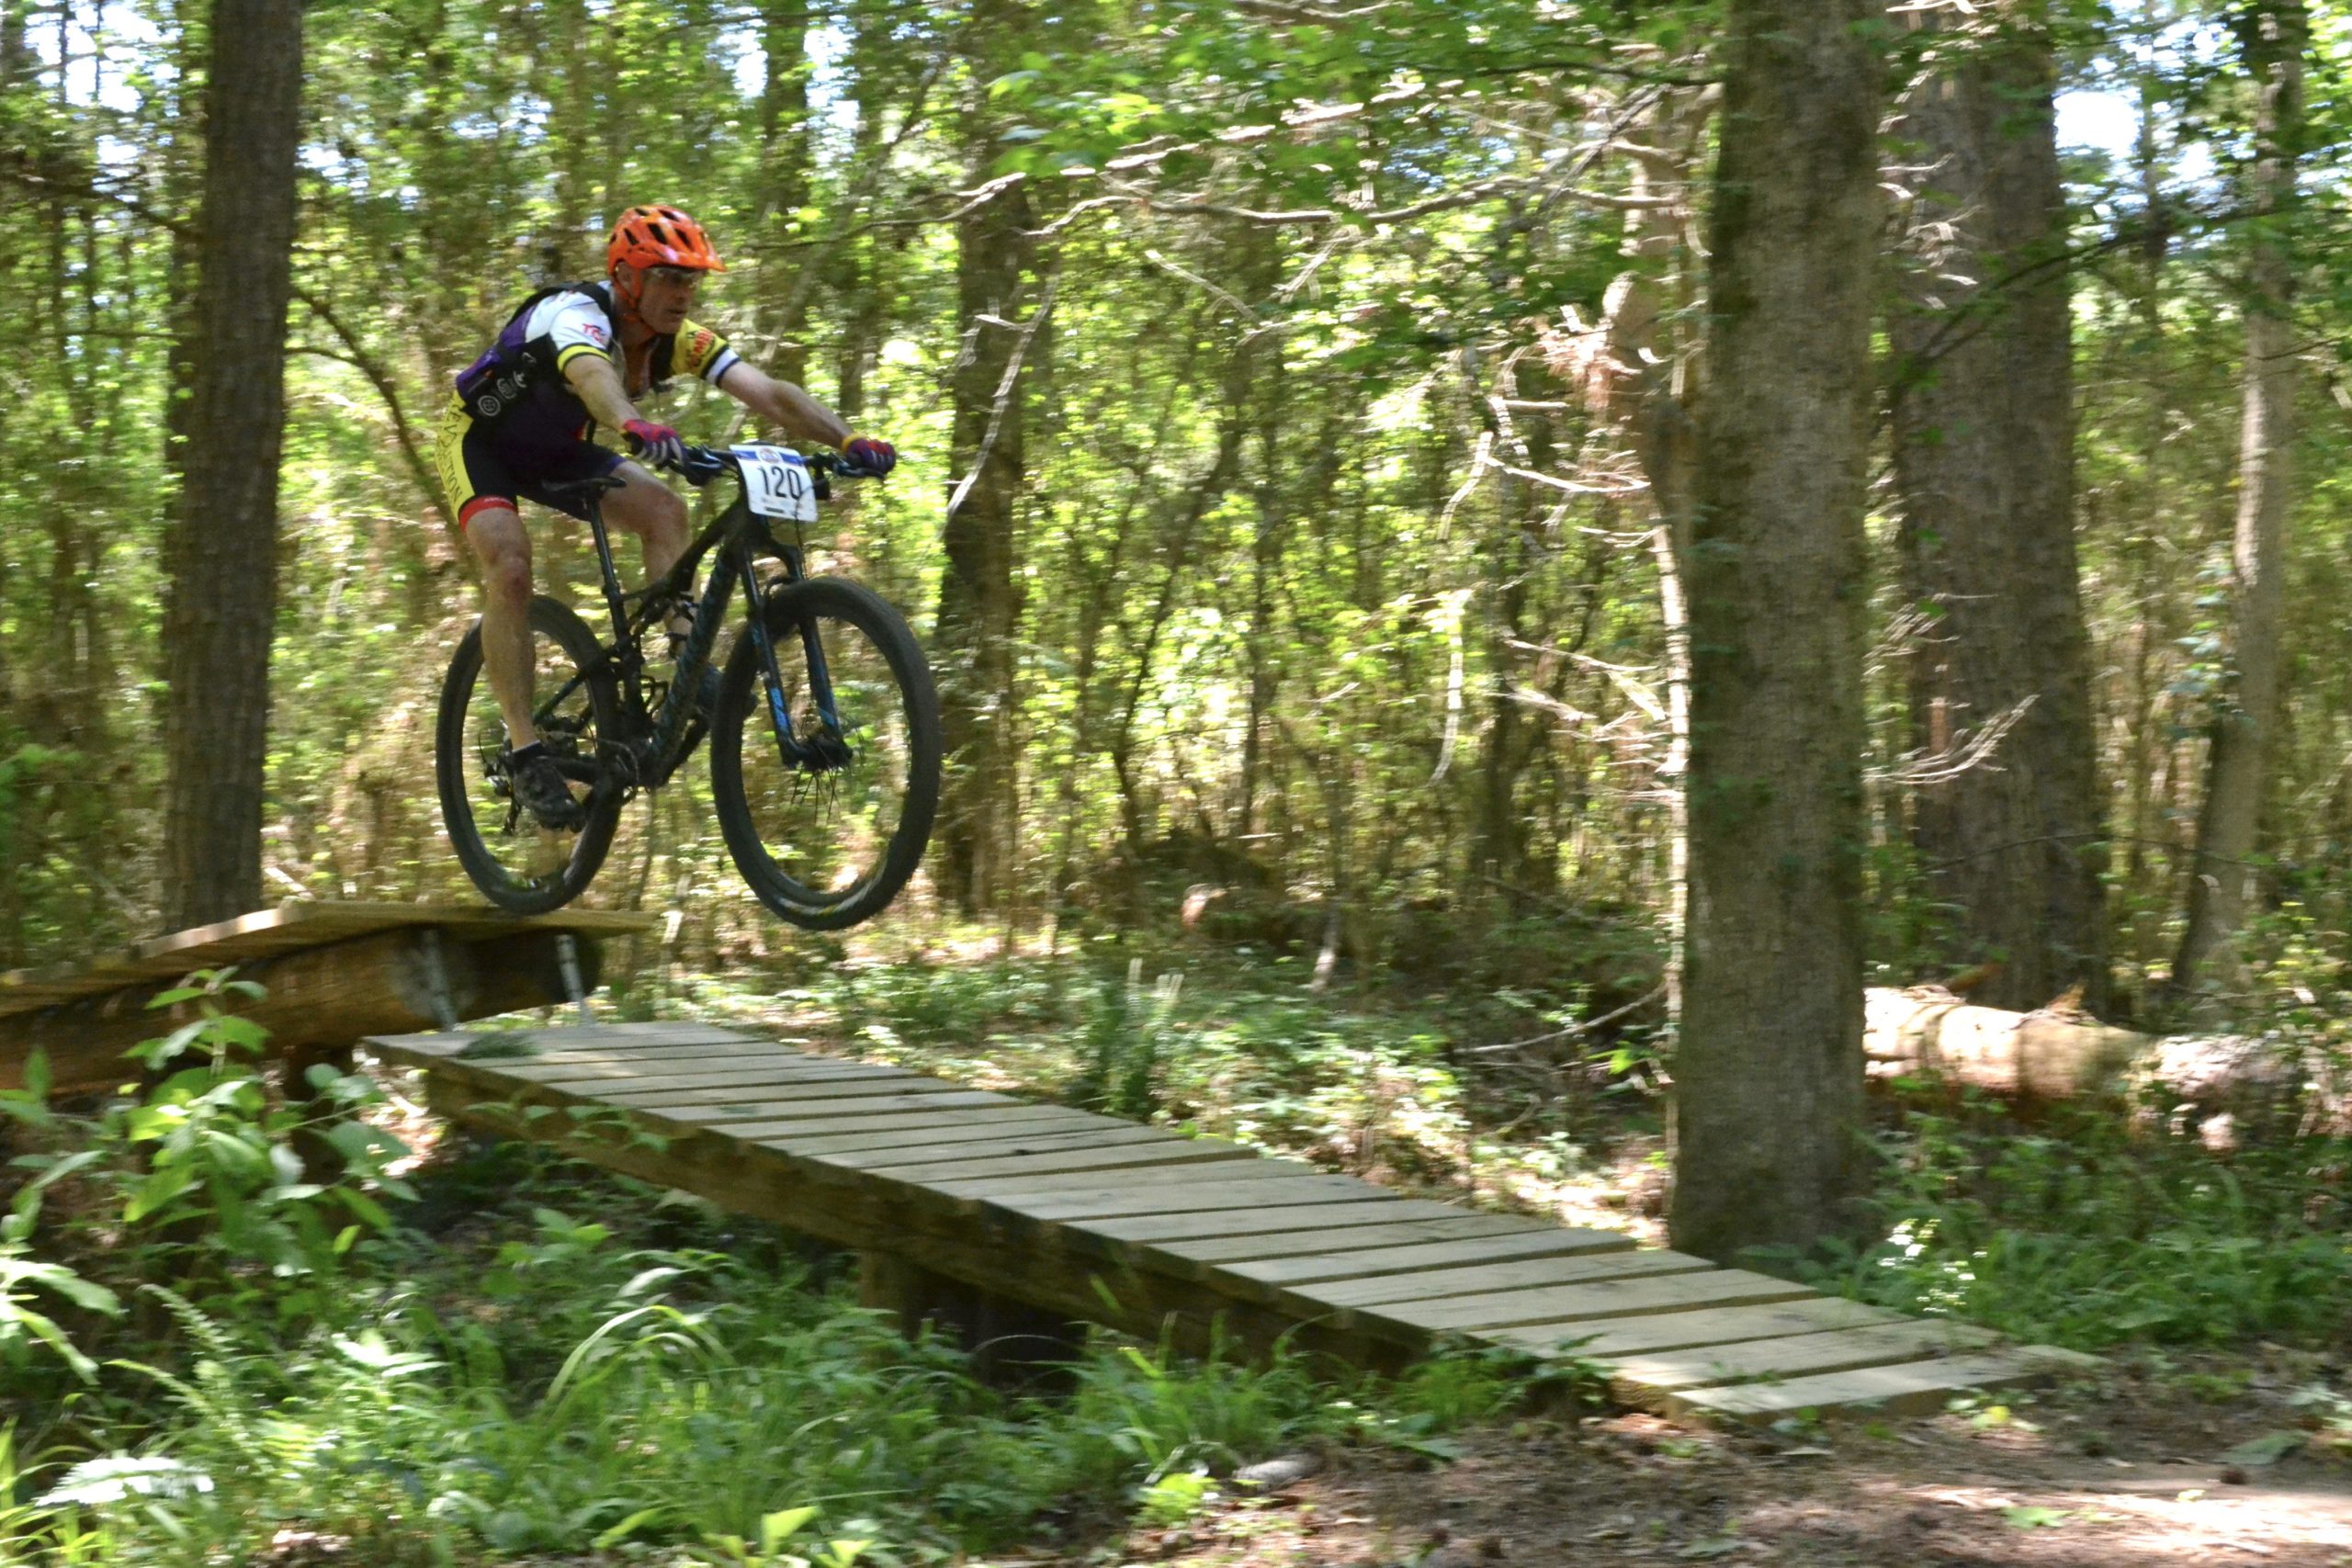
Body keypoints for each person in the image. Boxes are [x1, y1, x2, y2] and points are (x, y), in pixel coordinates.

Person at [433, 203, 897, 829]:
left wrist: (847, 439)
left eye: (690, 281)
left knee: (665, 509)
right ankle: (524, 749)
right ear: (627, 277)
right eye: (668, 278)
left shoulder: (680, 342)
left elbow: (768, 392)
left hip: (557, 449)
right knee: (511, 566)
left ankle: (684, 663)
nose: (683, 294)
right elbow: (593, 375)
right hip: (479, 442)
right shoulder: (575, 315)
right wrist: (631, 423)